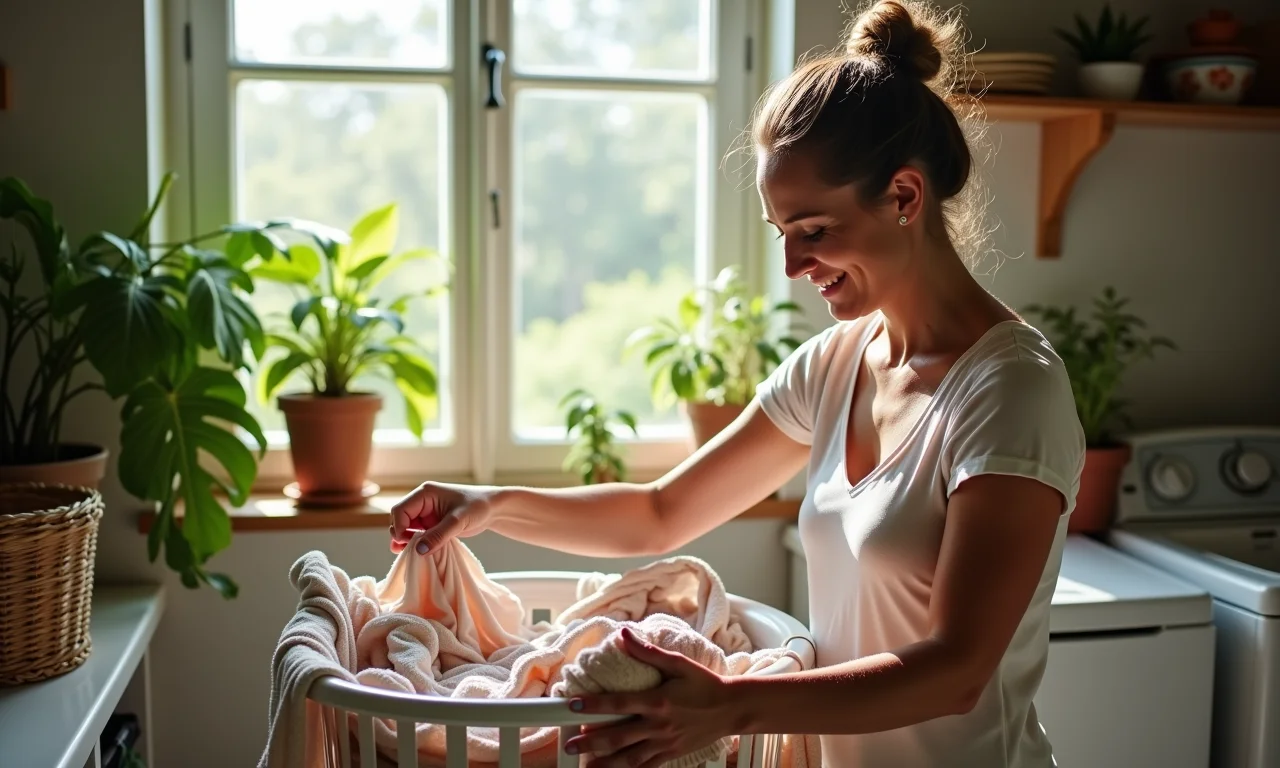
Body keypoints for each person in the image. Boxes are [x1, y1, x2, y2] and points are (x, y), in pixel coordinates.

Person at [390, 0, 1086, 765]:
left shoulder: (1010, 391)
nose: (792, 265)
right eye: (781, 233)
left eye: (813, 231)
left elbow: (956, 670)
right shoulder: (833, 365)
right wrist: (491, 505)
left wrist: (729, 706)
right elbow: (660, 513)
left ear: (904, 197)